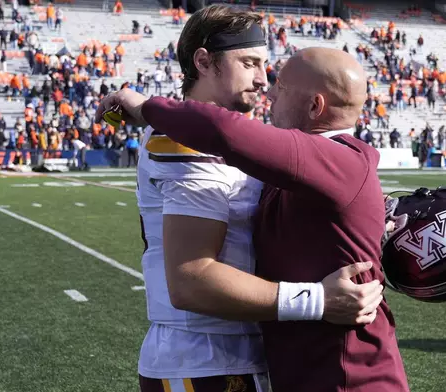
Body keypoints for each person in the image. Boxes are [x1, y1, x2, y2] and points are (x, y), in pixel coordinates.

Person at [96, 6, 383, 392]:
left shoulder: (245, 139)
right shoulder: (185, 143)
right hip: (203, 358)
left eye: (265, 65)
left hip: (243, 352)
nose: (263, 80)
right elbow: (191, 282)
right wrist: (317, 300)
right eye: (249, 63)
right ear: (204, 61)